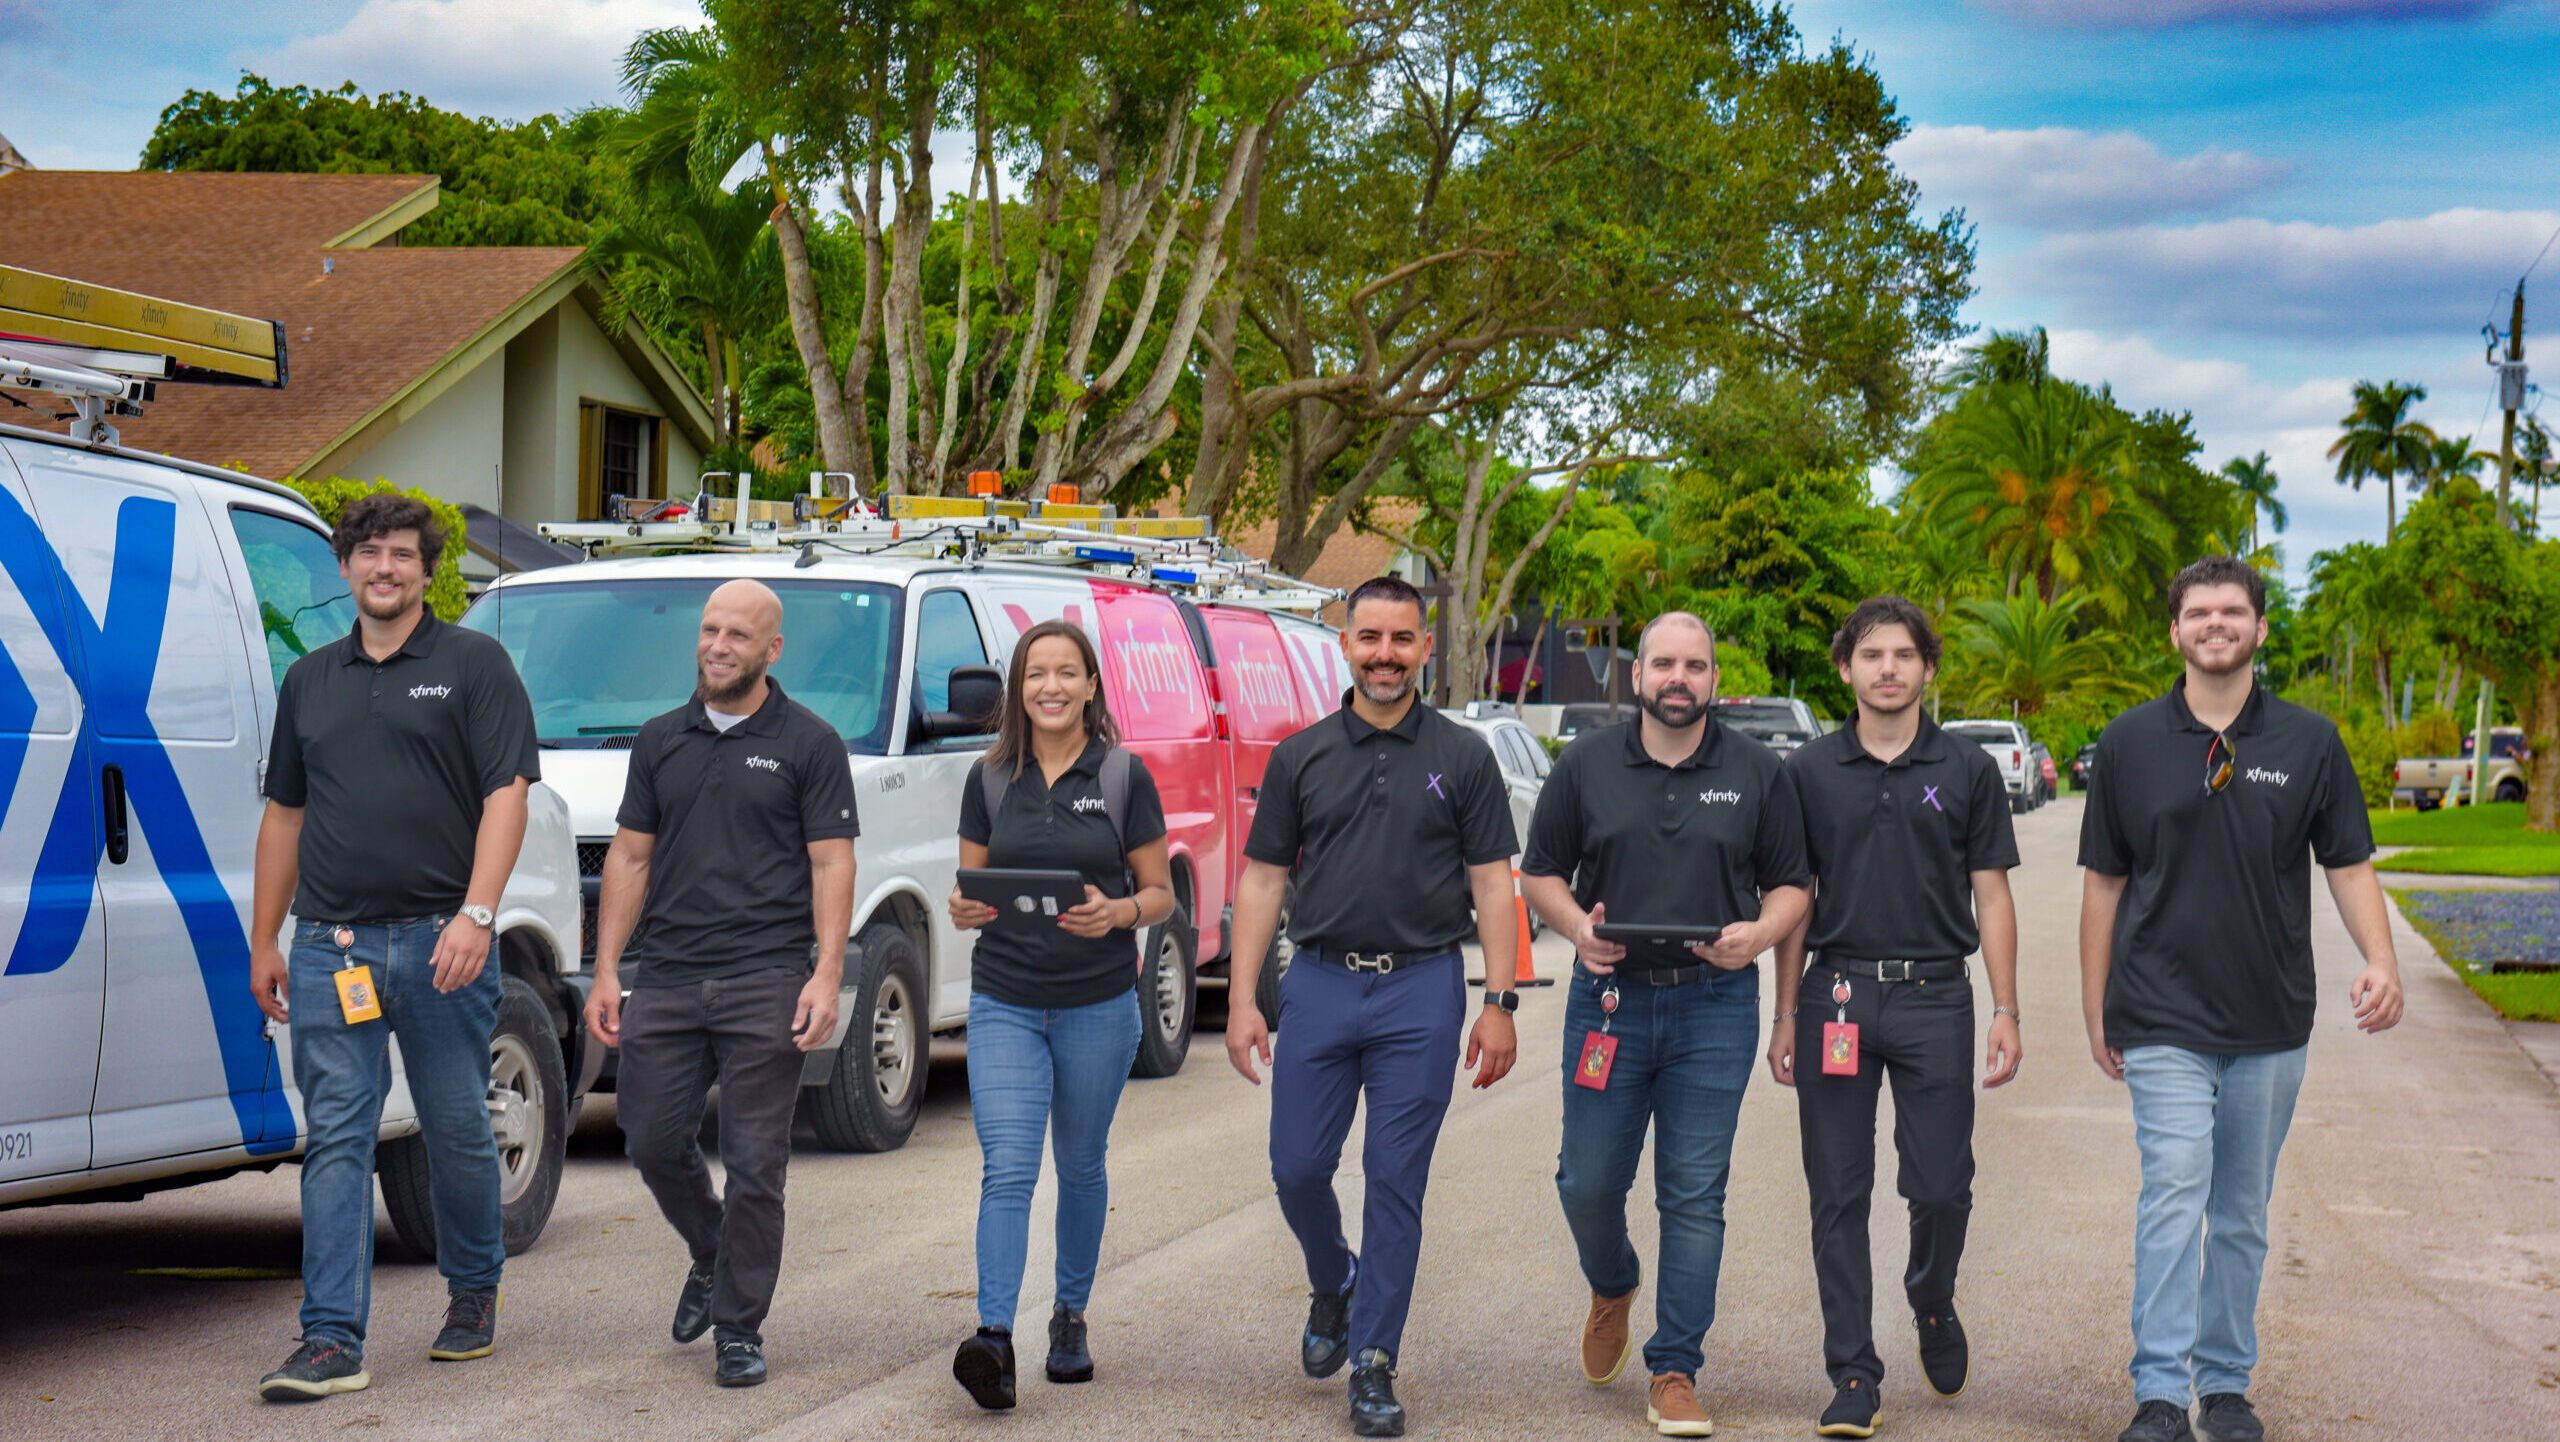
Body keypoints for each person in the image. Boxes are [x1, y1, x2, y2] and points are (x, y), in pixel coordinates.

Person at [2079, 557, 2404, 1442]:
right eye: (2197, 612)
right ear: (2175, 631)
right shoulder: (2128, 742)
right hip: (2160, 1013)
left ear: (2261, 628)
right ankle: (2156, 1393)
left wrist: (2383, 959)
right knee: (2174, 1189)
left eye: (2232, 611)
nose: (2214, 624)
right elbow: (2103, 885)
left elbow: (2347, 864)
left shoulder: (2311, 742)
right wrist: (2094, 1002)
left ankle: (2224, 1386)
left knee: (2241, 1215)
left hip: (2270, 1019)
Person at [247, 492, 539, 1401]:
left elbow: (508, 795)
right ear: (344, 567)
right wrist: (265, 937)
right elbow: (286, 814)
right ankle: (331, 1339)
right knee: (336, 1134)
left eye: (403, 555)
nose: (384, 568)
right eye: (369, 553)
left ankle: (474, 1291)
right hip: (332, 947)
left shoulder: (473, 665)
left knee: (454, 1123)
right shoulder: (310, 680)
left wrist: (477, 916)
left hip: (442, 943)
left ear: (426, 569)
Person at [1226, 575, 1522, 1439]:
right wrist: (1244, 998)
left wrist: (1498, 1001)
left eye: (1402, 640)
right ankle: (1335, 1280)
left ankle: (1375, 1363)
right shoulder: (1300, 756)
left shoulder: (1465, 756)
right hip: (1316, 983)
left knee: (1396, 1182)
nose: (1385, 654)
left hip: (1422, 988)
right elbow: (1261, 880)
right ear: (1346, 644)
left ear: (1425, 648)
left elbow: (1493, 887)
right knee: (1297, 1168)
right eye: (1370, 638)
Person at [1520, 611, 1810, 1439]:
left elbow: (1794, 885)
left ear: (1715, 678)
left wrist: (1757, 934)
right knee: (1587, 1179)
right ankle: (1613, 1282)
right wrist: (1577, 926)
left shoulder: (1759, 772)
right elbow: (1539, 873)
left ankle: (1675, 1368)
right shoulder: (1585, 766)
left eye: (1695, 665)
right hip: (1608, 1003)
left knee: (1694, 1193)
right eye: (1664, 664)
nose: (1679, 679)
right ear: (1637, 675)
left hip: (1715, 1008)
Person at [582, 580, 859, 1389]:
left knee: (756, 1163)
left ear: (773, 650)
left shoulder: (810, 743)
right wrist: (606, 970)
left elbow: (831, 863)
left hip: (766, 977)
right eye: (710, 630)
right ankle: (711, 1246)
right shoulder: (660, 739)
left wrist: (827, 973)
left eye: (738, 634)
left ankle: (739, 1327)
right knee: (649, 1136)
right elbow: (630, 857)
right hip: (666, 974)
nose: (717, 645)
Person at [1770, 596, 2021, 1439]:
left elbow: (1993, 893)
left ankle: (1931, 1295)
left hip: (1935, 999)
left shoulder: (1968, 770)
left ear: (1926, 667)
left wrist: (2006, 1007)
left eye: (1903, 655)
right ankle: (1852, 1370)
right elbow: (1793, 900)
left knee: (1943, 1183)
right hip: (1835, 994)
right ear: (1845, 668)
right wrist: (1783, 1013)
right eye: (1871, 655)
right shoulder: (1805, 773)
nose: (1887, 669)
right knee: (1837, 1192)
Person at [944, 620, 1176, 1411]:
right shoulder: (988, 777)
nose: (1049, 686)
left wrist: (1118, 914)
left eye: (1065, 673)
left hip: (1098, 1003)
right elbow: (969, 887)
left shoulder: (1121, 775)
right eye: (1034, 673)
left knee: (1079, 1165)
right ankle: (995, 1339)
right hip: (1004, 996)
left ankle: (1070, 1316)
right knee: (1008, 1166)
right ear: (1018, 688)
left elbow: (1160, 894)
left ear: (1090, 687)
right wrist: (964, 909)